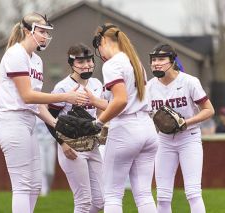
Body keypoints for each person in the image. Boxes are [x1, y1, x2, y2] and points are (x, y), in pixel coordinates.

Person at [0, 13, 88, 213]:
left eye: (47, 32)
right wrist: (65, 98)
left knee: (35, 185)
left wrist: (58, 126)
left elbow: (37, 105)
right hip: (11, 121)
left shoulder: (36, 60)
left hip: (28, 122)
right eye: (42, 31)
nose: (45, 36)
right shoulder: (15, 54)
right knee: (23, 185)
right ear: (28, 31)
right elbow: (28, 96)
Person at [88, 23, 158, 213]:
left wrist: (98, 122)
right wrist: (95, 101)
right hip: (147, 128)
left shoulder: (113, 64)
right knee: (144, 195)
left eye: (98, 47)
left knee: (112, 195)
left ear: (102, 41)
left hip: (126, 129)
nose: (99, 52)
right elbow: (126, 101)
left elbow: (120, 102)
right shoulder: (135, 62)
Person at [147, 43, 215, 213]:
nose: (156, 63)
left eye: (161, 59)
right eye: (153, 59)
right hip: (163, 140)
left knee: (193, 193)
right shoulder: (149, 87)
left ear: (172, 60)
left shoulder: (189, 81)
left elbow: (209, 110)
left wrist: (186, 122)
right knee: (162, 196)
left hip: (189, 138)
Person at [46, 43, 104, 213]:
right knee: (83, 201)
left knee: (100, 201)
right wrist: (62, 143)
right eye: (81, 62)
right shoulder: (63, 87)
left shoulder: (96, 83)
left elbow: (98, 113)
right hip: (72, 146)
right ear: (71, 63)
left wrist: (102, 126)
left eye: (89, 61)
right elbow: (50, 119)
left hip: (92, 144)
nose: (86, 65)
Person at [34, 117, 56, 196]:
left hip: (50, 143)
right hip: (39, 143)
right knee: (42, 168)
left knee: (50, 171)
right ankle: (43, 189)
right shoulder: (35, 115)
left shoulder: (51, 113)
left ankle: (48, 188)